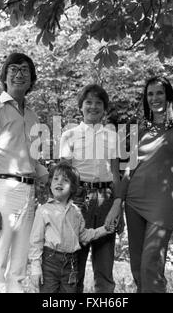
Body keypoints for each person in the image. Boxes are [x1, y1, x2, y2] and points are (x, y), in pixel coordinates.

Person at [110, 76, 173, 293]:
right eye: (150, 94)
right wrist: (119, 201)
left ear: (168, 96)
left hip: (163, 203)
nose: (154, 98)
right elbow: (129, 169)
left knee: (151, 264)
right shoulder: (141, 129)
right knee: (137, 266)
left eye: (159, 93)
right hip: (134, 200)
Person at [0, 52, 48, 293]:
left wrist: (62, 179)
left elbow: (35, 163)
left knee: (18, 268)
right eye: (13, 69)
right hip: (1, 193)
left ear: (31, 79)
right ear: (4, 76)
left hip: (28, 194)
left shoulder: (33, 116)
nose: (19, 74)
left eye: (25, 69)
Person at [59, 84, 122, 293]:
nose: (93, 107)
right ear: (81, 106)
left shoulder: (112, 136)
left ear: (105, 108)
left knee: (104, 265)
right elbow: (63, 175)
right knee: (74, 264)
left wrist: (117, 206)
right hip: (79, 200)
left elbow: (115, 174)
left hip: (106, 199)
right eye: (88, 102)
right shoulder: (69, 135)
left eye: (98, 103)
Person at [28, 161, 115, 293]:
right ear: (50, 184)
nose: (59, 182)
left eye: (65, 180)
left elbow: (84, 235)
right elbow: (36, 241)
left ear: (74, 187)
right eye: (56, 179)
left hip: (71, 264)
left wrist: (104, 230)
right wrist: (35, 268)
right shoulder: (44, 211)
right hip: (50, 263)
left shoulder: (76, 212)